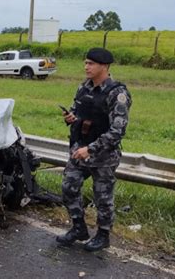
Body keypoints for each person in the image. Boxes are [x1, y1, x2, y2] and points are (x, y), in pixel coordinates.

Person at [56, 48, 132, 251]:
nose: (86, 67)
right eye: (85, 62)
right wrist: (71, 118)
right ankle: (78, 227)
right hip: (80, 149)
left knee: (103, 197)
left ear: (104, 67)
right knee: (68, 187)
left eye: (91, 63)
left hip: (103, 155)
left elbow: (117, 130)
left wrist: (91, 149)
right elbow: (78, 111)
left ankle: (103, 235)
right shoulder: (83, 88)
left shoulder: (118, 94)